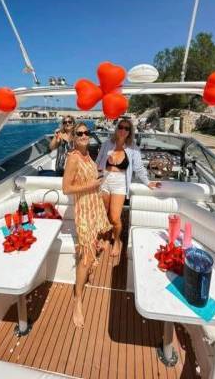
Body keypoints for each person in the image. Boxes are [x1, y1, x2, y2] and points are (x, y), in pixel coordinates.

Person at [62, 122, 112, 328]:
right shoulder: (73, 158)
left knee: (93, 248)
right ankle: (78, 301)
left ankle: (87, 274)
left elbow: (90, 178)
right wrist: (91, 184)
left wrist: (98, 179)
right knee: (86, 257)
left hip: (94, 206)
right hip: (83, 211)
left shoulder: (87, 154)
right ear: (73, 137)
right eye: (79, 133)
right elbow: (66, 188)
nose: (84, 135)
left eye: (86, 132)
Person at [96, 117, 161, 258]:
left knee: (115, 217)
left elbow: (139, 168)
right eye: (121, 127)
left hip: (119, 183)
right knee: (104, 213)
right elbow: (98, 161)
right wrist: (94, 176)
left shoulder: (133, 148)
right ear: (117, 129)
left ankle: (117, 241)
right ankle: (106, 237)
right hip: (104, 180)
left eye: (126, 128)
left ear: (130, 132)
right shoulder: (107, 144)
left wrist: (148, 182)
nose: (123, 130)